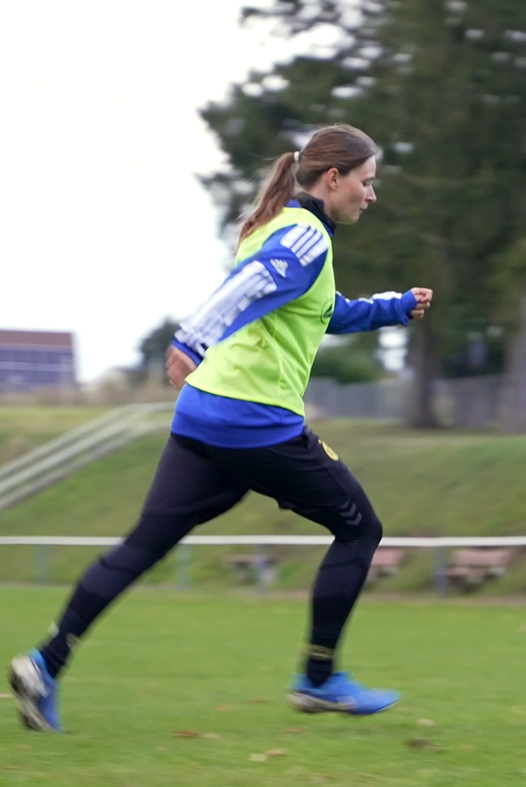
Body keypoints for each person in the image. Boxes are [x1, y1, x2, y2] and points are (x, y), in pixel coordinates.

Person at [8, 124, 432, 733]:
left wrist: (392, 307)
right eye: (367, 182)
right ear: (333, 179)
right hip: (256, 422)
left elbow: (321, 311)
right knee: (360, 528)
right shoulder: (307, 237)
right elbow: (249, 287)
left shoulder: (281, 227)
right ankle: (317, 679)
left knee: (140, 548)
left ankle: (45, 663)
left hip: (204, 418)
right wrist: (191, 338)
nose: (372, 194)